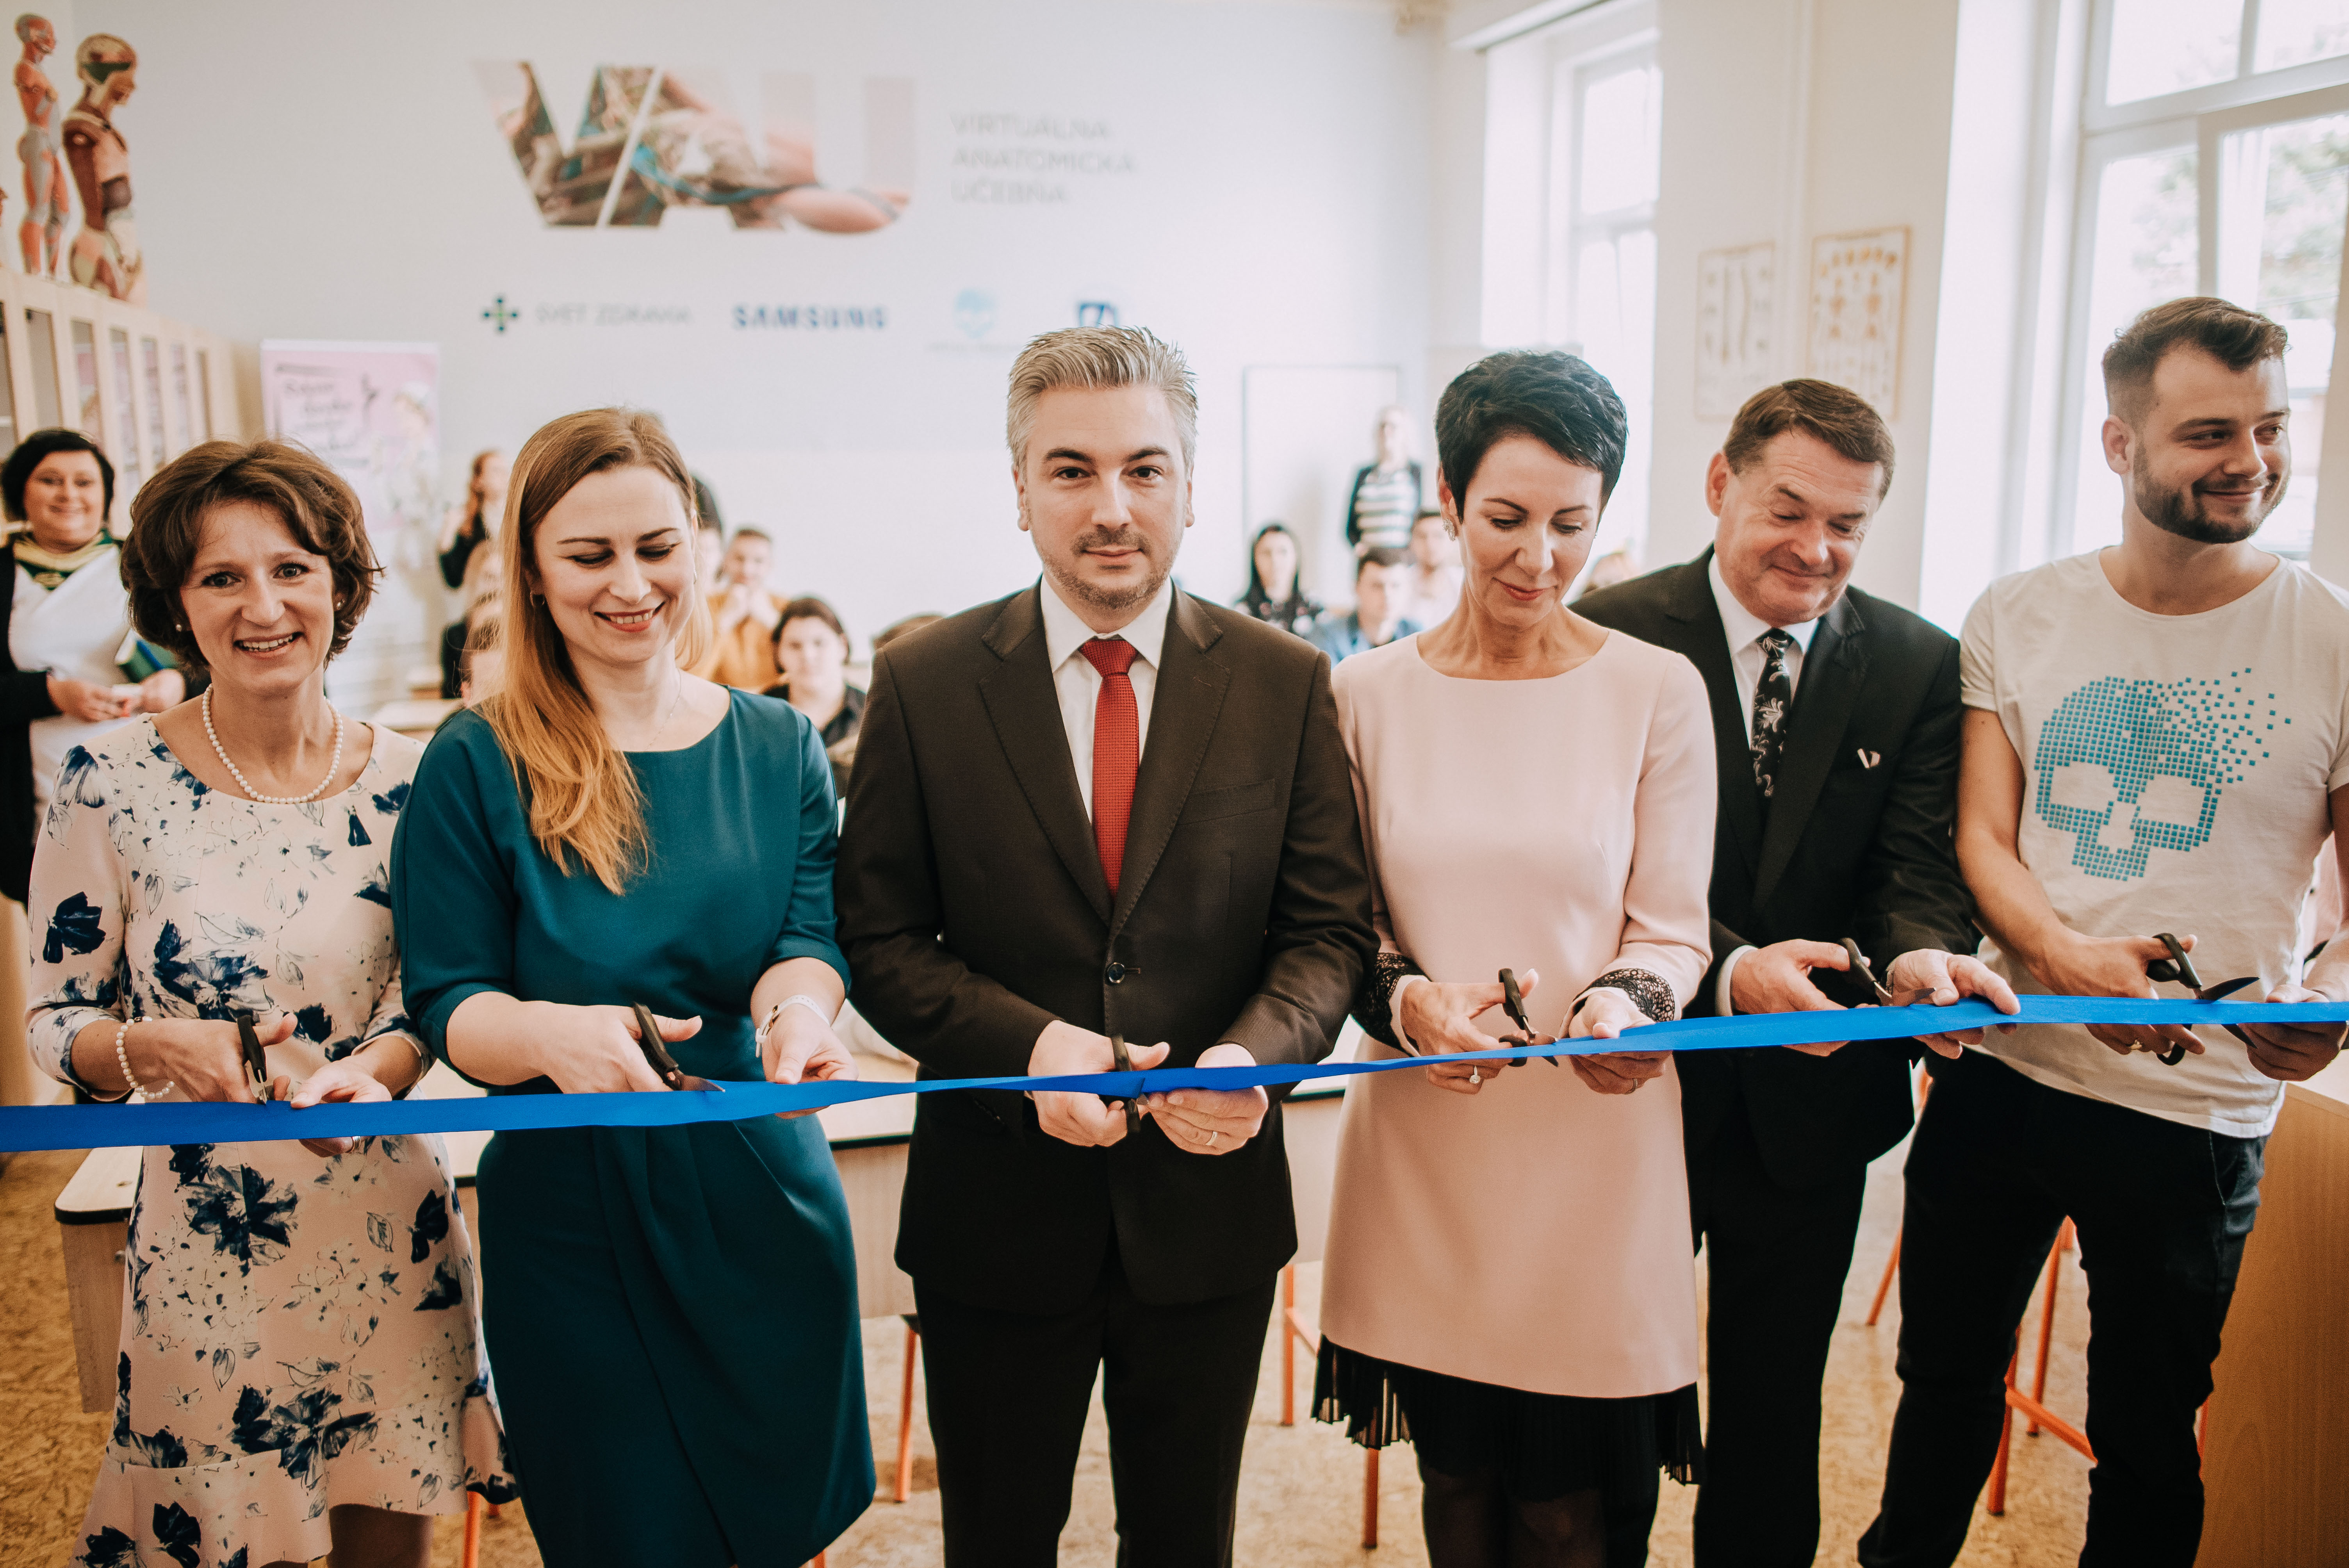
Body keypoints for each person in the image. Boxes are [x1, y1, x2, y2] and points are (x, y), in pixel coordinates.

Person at [836, 325, 1376, 1568]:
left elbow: (1325, 932)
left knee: (1185, 1544)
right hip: (994, 1205)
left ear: (1190, 484)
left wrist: (1251, 1059)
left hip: (1209, 1203)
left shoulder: (1286, 680)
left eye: (1144, 468)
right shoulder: (922, 682)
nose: (1112, 507)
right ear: (1020, 488)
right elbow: (880, 936)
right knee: (998, 1541)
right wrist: (1031, 1047)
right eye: (1071, 470)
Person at [1859, 299, 2349, 1568]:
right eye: (2208, 433)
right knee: (1941, 1384)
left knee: (2146, 1432)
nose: (2250, 460)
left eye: (2270, 427)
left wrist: (2327, 1007)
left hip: (2197, 1113)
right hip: (2007, 1068)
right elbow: (1983, 836)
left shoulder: (2333, 638)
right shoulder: (2018, 611)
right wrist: (2066, 958)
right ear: (2118, 445)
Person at [390, 408, 870, 1568]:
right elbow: (450, 1002)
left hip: (760, 1191)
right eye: (588, 555)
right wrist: (552, 1037)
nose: (630, 584)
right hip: (574, 1215)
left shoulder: (778, 744)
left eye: (656, 547)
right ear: (532, 571)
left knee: (773, 1526)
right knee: (626, 1529)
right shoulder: (476, 756)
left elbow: (806, 939)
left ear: (698, 544)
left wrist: (798, 1016)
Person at [29, 438, 512, 1568]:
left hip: (387, 1221)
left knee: (387, 1542)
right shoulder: (108, 780)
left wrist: (374, 1072)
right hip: (208, 1242)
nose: (263, 605)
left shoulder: (419, 777)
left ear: (340, 586)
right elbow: (55, 1021)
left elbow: (433, 997)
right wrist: (157, 1048)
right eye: (222, 577)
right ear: (174, 603)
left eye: (293, 568)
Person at [1576, 379, 2016, 1568]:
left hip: (1816, 1094)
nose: (1815, 549)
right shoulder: (1607, 633)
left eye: (1847, 524)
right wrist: (1728, 969)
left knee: (1775, 1408)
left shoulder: (1917, 662)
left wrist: (1918, 956)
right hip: (1636, 1079)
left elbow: (1915, 867)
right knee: (1609, 1390)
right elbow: (1588, 871)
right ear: (1720, 484)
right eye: (1788, 510)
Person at [1311, 350, 1710, 1567]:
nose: (1539, 557)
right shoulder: (1363, 694)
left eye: (1570, 524)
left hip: (1595, 1140)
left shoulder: (1656, 691)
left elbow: (1672, 926)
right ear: (1446, 500)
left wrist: (1623, 1004)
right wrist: (1411, 1004)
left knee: (1566, 1508)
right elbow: (1348, 927)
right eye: (1506, 519)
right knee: (1458, 1481)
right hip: (1429, 1137)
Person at [1, 429, 184, 905]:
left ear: (105, 494)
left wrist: (178, 681)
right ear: (20, 491)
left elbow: (212, 655)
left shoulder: (147, 564)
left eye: (84, 482)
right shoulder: (4, 573)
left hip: (156, 782)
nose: (69, 494)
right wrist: (51, 695)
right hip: (41, 794)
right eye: (50, 480)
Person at [60, 31, 139, 304]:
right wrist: (97, 243)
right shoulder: (82, 127)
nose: (132, 86)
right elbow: (91, 199)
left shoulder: (103, 127)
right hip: (104, 236)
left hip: (122, 231)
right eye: (126, 76)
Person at [761, 595, 861, 795]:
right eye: (795, 646)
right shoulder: (758, 714)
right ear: (778, 652)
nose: (807, 656)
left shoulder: (873, 712)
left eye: (819, 643)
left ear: (842, 646)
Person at [438, 449, 510, 698]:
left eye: (506, 470)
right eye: (496, 471)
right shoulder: (467, 523)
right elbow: (453, 579)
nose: (504, 476)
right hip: (479, 611)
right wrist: (447, 537)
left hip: (512, 608)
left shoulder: (520, 518)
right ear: (478, 481)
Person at [700, 526, 784, 690]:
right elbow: (694, 676)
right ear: (725, 560)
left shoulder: (785, 607)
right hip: (723, 700)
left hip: (775, 700)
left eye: (758, 561)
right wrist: (724, 622)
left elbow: (798, 676)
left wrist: (773, 623)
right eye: (739, 559)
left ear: (770, 566)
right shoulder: (705, 606)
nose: (747, 569)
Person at [1312, 545, 1419, 663]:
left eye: (1396, 586)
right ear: (1357, 589)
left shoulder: (1417, 635)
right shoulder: (1328, 636)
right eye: (1377, 586)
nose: (1387, 595)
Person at [16, 13, 61, 277]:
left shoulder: (37, 70)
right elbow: (36, 114)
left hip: (50, 145)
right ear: (34, 36)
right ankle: (34, 274)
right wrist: (49, 100)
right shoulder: (25, 70)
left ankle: (55, 274)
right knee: (40, 209)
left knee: (62, 211)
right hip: (39, 140)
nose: (51, 42)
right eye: (47, 35)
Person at [1344, 403, 1424, 553]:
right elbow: (1351, 526)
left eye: (1393, 426)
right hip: (1368, 560)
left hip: (1402, 560)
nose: (1387, 431)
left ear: (1405, 432)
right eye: (1383, 426)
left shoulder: (1415, 472)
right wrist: (1359, 549)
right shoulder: (1364, 474)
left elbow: (1421, 520)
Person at [1237, 519, 1322, 636]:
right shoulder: (1242, 613)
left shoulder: (1314, 606)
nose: (1275, 560)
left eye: (1283, 552)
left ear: (1296, 557)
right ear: (1255, 560)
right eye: (1267, 553)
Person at [1397, 506, 1462, 628]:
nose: (1430, 544)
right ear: (1411, 543)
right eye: (1422, 537)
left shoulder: (1465, 584)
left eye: (1438, 536)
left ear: (1452, 541)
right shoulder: (1398, 584)